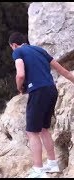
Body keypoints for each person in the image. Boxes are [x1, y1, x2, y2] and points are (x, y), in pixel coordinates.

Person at [8, 32, 74, 178]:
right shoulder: (39, 50)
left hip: (38, 92)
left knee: (32, 132)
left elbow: (20, 74)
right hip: (52, 90)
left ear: (13, 45)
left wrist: (19, 88)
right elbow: (62, 70)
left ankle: (38, 170)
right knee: (44, 129)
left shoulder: (17, 52)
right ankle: (52, 164)